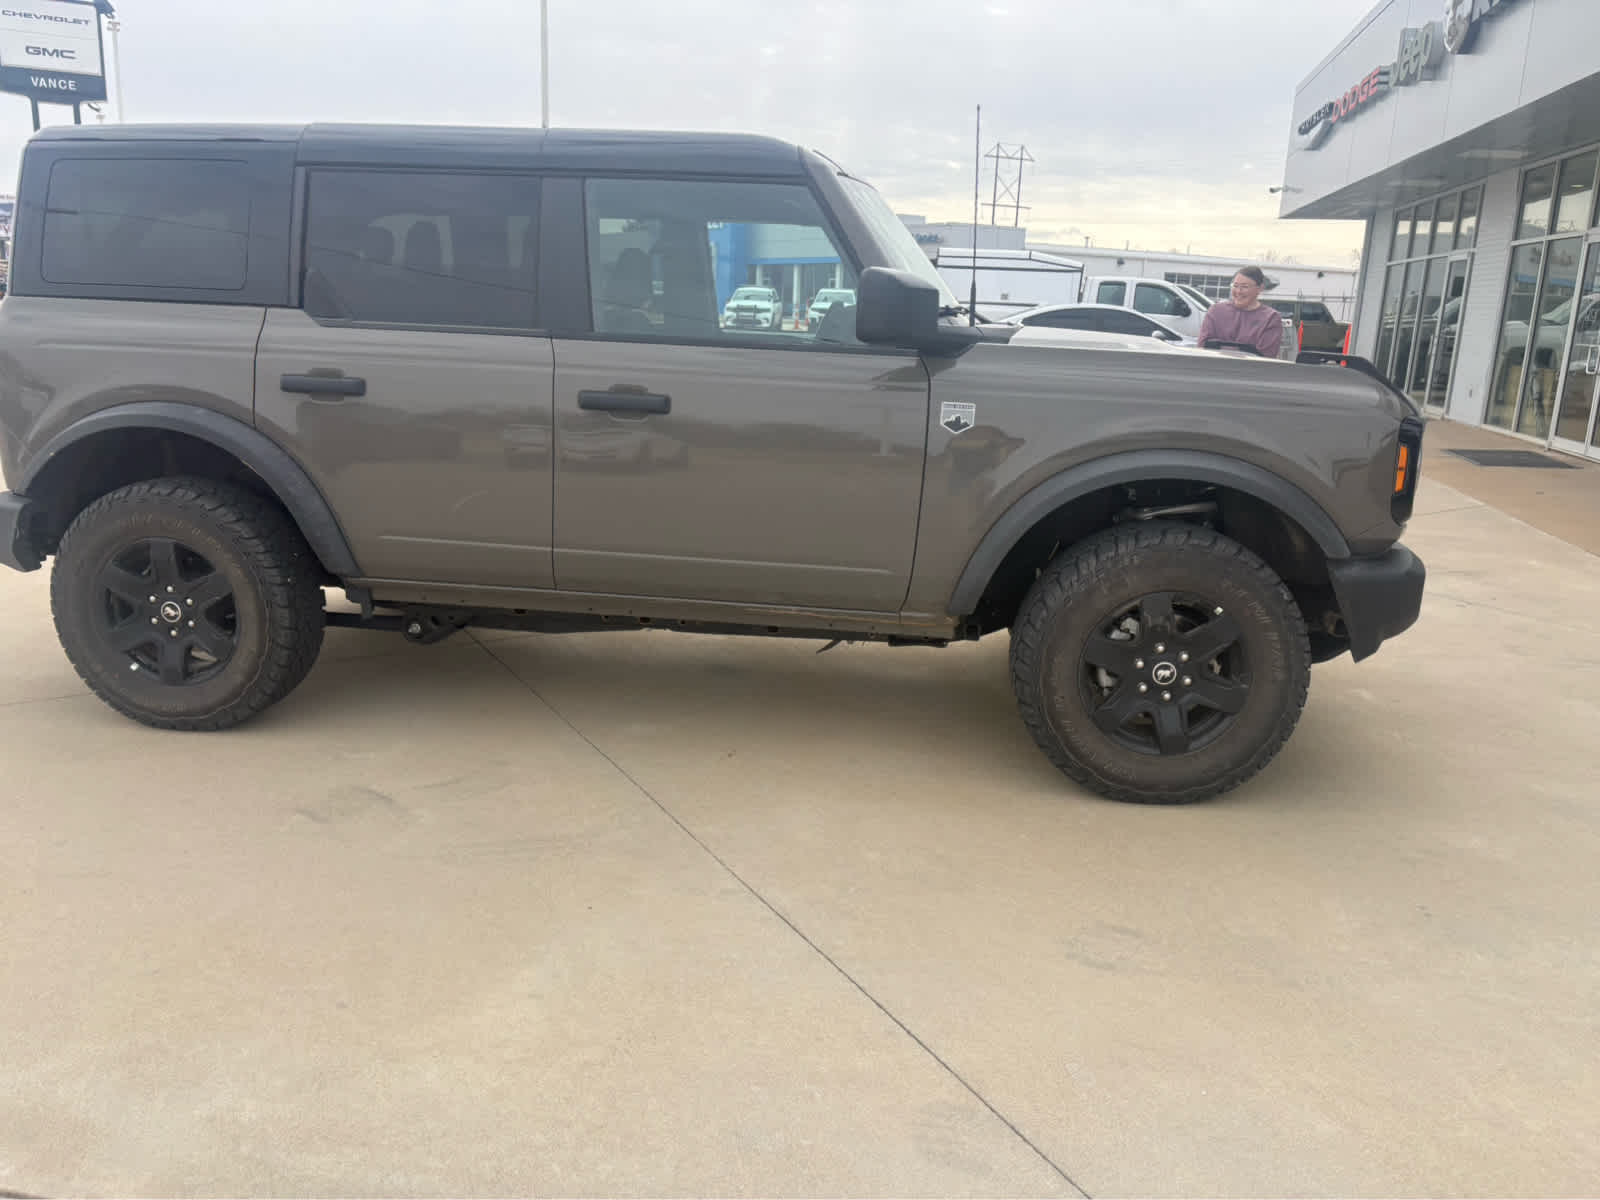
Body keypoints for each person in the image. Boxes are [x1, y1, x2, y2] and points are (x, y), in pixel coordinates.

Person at [1197, 266, 1284, 357]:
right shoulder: (1215, 311)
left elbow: (1266, 356)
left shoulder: (1271, 318)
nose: (1238, 291)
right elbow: (1203, 347)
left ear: (1260, 288)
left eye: (1244, 287)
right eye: (1235, 286)